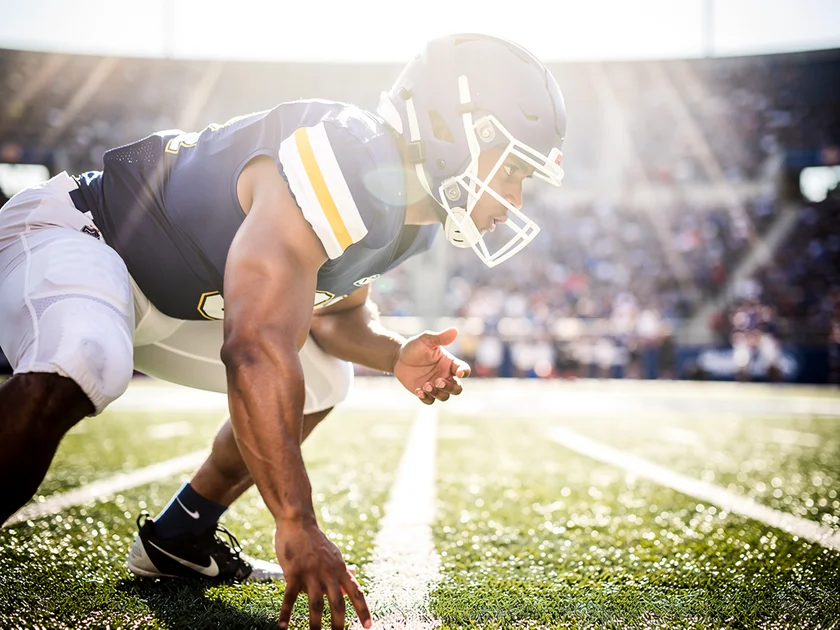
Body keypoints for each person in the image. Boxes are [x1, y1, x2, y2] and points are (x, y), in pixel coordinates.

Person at [0, 33, 567, 629]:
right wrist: (296, 522)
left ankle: (179, 537)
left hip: (176, 297)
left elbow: (336, 316)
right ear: (452, 132)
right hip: (87, 236)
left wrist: (394, 351)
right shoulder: (352, 157)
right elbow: (254, 344)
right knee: (87, 357)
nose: (513, 196)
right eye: (511, 167)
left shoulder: (410, 221)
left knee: (325, 379)